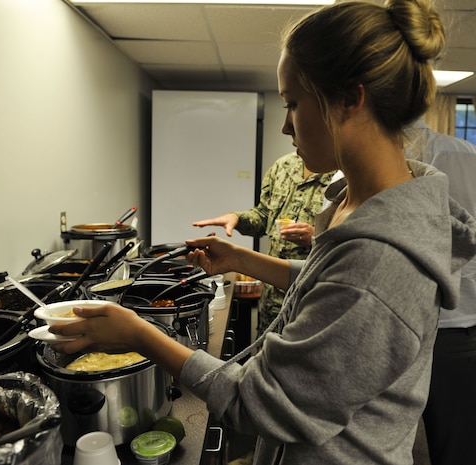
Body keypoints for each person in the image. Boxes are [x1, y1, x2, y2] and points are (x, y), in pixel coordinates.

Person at [49, 1, 476, 463]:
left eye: (293, 102)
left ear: (352, 99)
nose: (285, 124)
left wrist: (138, 334)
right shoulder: (360, 201)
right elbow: (330, 284)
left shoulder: (383, 262)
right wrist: (242, 259)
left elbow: (258, 405)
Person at [193, 153, 336, 334]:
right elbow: (264, 216)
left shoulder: (342, 176)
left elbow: (347, 247)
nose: (287, 131)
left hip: (309, 297)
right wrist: (237, 218)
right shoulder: (283, 166)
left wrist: (315, 237)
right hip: (271, 296)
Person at [404, 118, 476, 465]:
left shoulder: (373, 157)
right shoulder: (466, 152)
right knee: (457, 444)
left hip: (420, 324)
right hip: (459, 322)